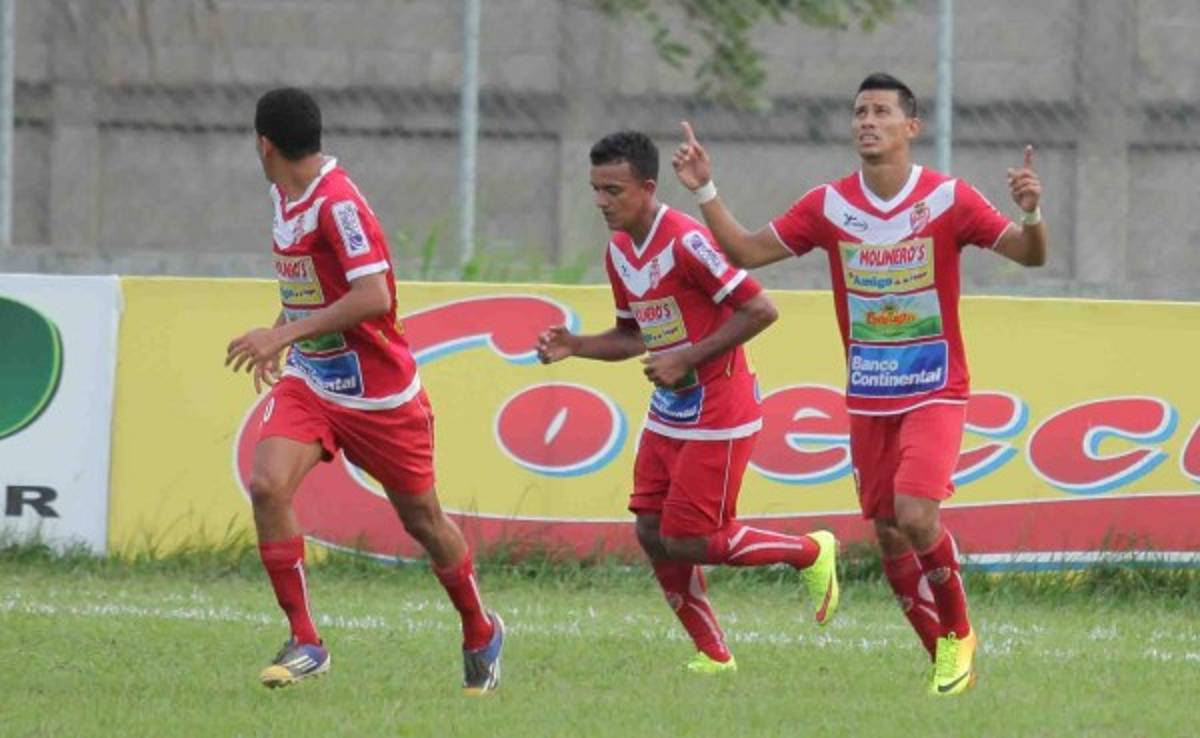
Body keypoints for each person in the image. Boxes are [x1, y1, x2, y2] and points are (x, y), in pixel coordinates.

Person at [671, 72, 1047, 695]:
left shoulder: (948, 199)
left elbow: (1031, 255)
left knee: (916, 511)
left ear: (911, 127)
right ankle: (944, 661)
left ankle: (959, 635)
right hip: (870, 394)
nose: (866, 121)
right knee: (889, 530)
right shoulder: (829, 205)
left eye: (879, 111)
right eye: (858, 113)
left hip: (935, 387)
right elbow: (744, 251)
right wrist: (705, 188)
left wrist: (1032, 212)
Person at [225, 87, 504, 694]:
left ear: (264, 143)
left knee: (423, 520)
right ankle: (306, 640)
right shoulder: (283, 194)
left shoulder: (338, 204)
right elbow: (312, 283)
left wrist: (284, 334)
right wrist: (284, 333)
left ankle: (481, 629)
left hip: (379, 396)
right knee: (268, 484)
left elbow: (373, 296)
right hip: (313, 381)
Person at [536, 131, 840, 675]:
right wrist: (577, 346)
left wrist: (688, 360)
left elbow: (761, 310)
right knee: (651, 530)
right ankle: (713, 654)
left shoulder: (687, 242)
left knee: (693, 537)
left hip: (721, 412)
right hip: (671, 412)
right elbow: (635, 335)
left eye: (614, 190)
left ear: (648, 188)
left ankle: (811, 553)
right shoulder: (620, 250)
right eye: (596, 190)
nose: (602, 202)